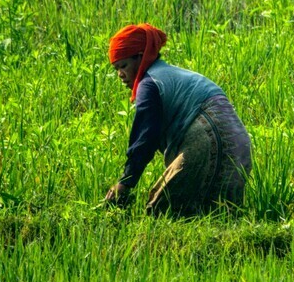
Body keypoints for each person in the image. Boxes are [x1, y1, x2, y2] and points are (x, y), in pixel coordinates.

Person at [103, 23, 252, 216]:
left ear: (141, 57)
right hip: (239, 143)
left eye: (123, 66)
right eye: (116, 69)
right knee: (220, 214)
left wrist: (125, 182)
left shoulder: (150, 84)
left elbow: (146, 138)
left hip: (210, 135)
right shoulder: (170, 75)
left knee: (163, 212)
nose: (120, 75)